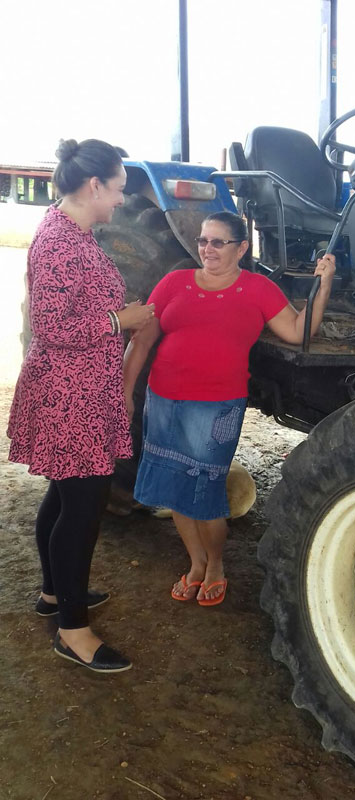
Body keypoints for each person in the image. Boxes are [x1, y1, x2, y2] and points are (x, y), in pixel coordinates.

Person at [123, 211, 335, 606]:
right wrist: (125, 392)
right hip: (165, 400)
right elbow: (141, 341)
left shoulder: (258, 289)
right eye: (204, 240)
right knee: (175, 489)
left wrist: (322, 288)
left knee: (204, 493)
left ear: (242, 247)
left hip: (216, 407)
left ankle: (216, 563)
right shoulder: (174, 282)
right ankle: (196, 563)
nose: (208, 249)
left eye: (218, 242)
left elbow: (298, 331)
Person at [7, 138, 155, 673]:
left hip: (80, 390)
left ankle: (54, 594)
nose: (119, 201)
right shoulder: (61, 242)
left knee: (66, 496)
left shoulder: (70, 231)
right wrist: (122, 322)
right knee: (84, 508)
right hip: (71, 395)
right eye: (116, 190)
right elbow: (52, 326)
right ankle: (73, 632)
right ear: (94, 186)